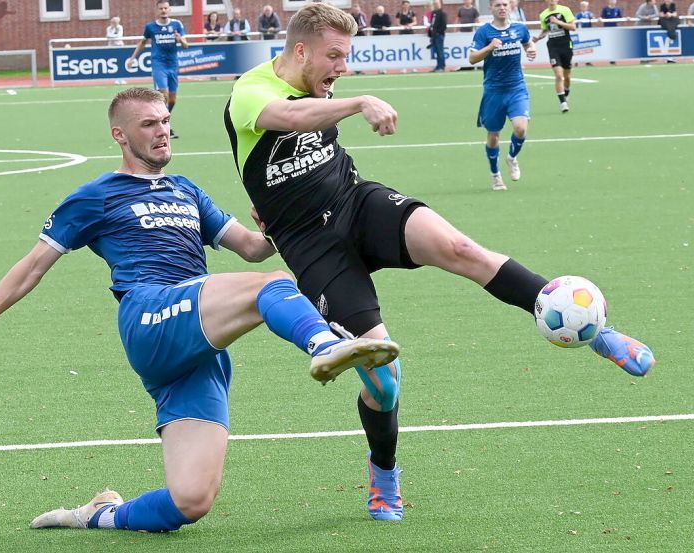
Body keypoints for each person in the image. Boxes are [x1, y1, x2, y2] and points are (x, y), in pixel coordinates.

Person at [224, 2, 655, 521]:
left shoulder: (321, 83)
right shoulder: (251, 91)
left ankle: (593, 330)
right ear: (299, 50)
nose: (342, 67)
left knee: (461, 249)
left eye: (347, 58)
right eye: (334, 56)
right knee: (384, 376)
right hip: (311, 245)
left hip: (357, 202)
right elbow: (287, 118)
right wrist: (359, 102)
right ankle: (384, 472)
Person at [0, 87, 400, 534]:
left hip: (197, 345)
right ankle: (326, 344)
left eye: (166, 121)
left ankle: (98, 515)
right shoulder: (97, 195)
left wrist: (278, 221)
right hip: (151, 315)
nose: (162, 131)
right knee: (272, 287)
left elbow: (253, 250)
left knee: (189, 501)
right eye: (150, 123)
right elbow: (31, 267)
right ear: (120, 135)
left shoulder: (186, 190)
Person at [470, 0, 536, 189]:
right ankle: (495, 175)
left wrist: (531, 50)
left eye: (505, 4)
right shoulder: (484, 32)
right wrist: (490, 47)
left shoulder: (519, 29)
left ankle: (512, 158)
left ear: (510, 7)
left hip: (517, 88)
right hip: (494, 91)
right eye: (498, 4)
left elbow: (528, 43)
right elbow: (472, 58)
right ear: (491, 8)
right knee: (493, 136)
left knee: (521, 128)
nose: (502, 8)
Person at [127, 0, 189, 139]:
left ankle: (163, 121)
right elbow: (142, 43)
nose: (163, 11)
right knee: (163, 95)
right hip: (158, 64)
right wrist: (133, 58)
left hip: (172, 65)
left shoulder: (177, 25)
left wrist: (180, 39)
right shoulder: (151, 27)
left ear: (170, 10)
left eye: (166, 8)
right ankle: (163, 125)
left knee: (172, 100)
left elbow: (186, 45)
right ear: (157, 10)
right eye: (161, 8)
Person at [534, 0, 577, 113]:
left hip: (566, 45)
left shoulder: (565, 10)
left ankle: (566, 93)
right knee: (559, 75)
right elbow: (545, 30)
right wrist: (538, 38)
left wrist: (558, 22)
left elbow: (573, 27)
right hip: (553, 46)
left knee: (567, 76)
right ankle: (563, 102)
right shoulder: (543, 14)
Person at [428, 0, 447, 71]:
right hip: (434, 35)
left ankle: (442, 66)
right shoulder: (433, 13)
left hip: (439, 35)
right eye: (434, 4)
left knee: (440, 51)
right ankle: (438, 66)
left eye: (437, 4)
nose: (436, 5)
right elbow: (432, 24)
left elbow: (444, 25)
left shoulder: (442, 13)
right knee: (436, 51)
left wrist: (438, 32)